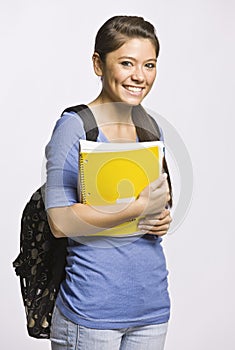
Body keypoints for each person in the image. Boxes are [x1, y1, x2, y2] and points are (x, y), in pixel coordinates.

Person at [45, 15, 172, 350]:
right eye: (126, 63)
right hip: (91, 313)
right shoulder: (75, 127)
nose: (139, 77)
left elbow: (157, 201)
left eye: (149, 65)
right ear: (98, 64)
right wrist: (137, 208)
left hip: (152, 309)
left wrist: (160, 217)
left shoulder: (149, 127)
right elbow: (59, 222)